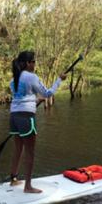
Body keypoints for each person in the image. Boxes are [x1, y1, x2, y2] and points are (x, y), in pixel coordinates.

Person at [9, 51, 66, 193]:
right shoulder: (31, 77)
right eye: (33, 61)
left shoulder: (13, 79)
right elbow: (47, 93)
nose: (35, 64)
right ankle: (28, 187)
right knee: (30, 153)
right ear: (28, 63)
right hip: (26, 117)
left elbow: (21, 98)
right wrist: (59, 80)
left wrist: (35, 101)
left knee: (18, 149)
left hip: (14, 117)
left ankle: (13, 179)